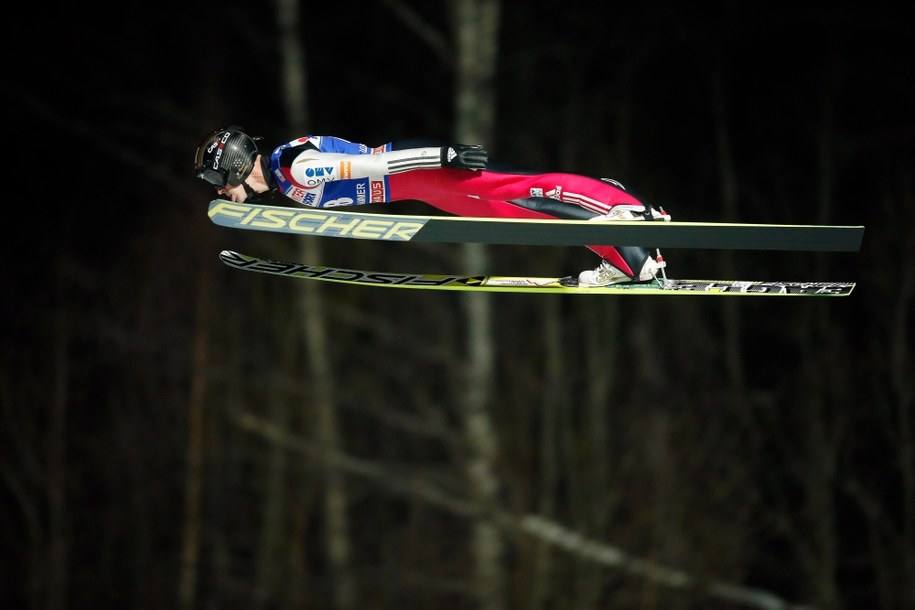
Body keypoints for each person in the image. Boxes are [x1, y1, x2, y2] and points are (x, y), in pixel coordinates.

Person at [194, 125, 670, 286]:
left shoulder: (295, 170)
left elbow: (376, 169)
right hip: (422, 186)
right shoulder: (285, 172)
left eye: (218, 180)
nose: (219, 191)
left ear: (235, 164)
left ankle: (623, 210)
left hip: (419, 172)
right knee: (515, 212)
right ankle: (626, 256)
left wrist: (442, 156)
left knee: (515, 190)